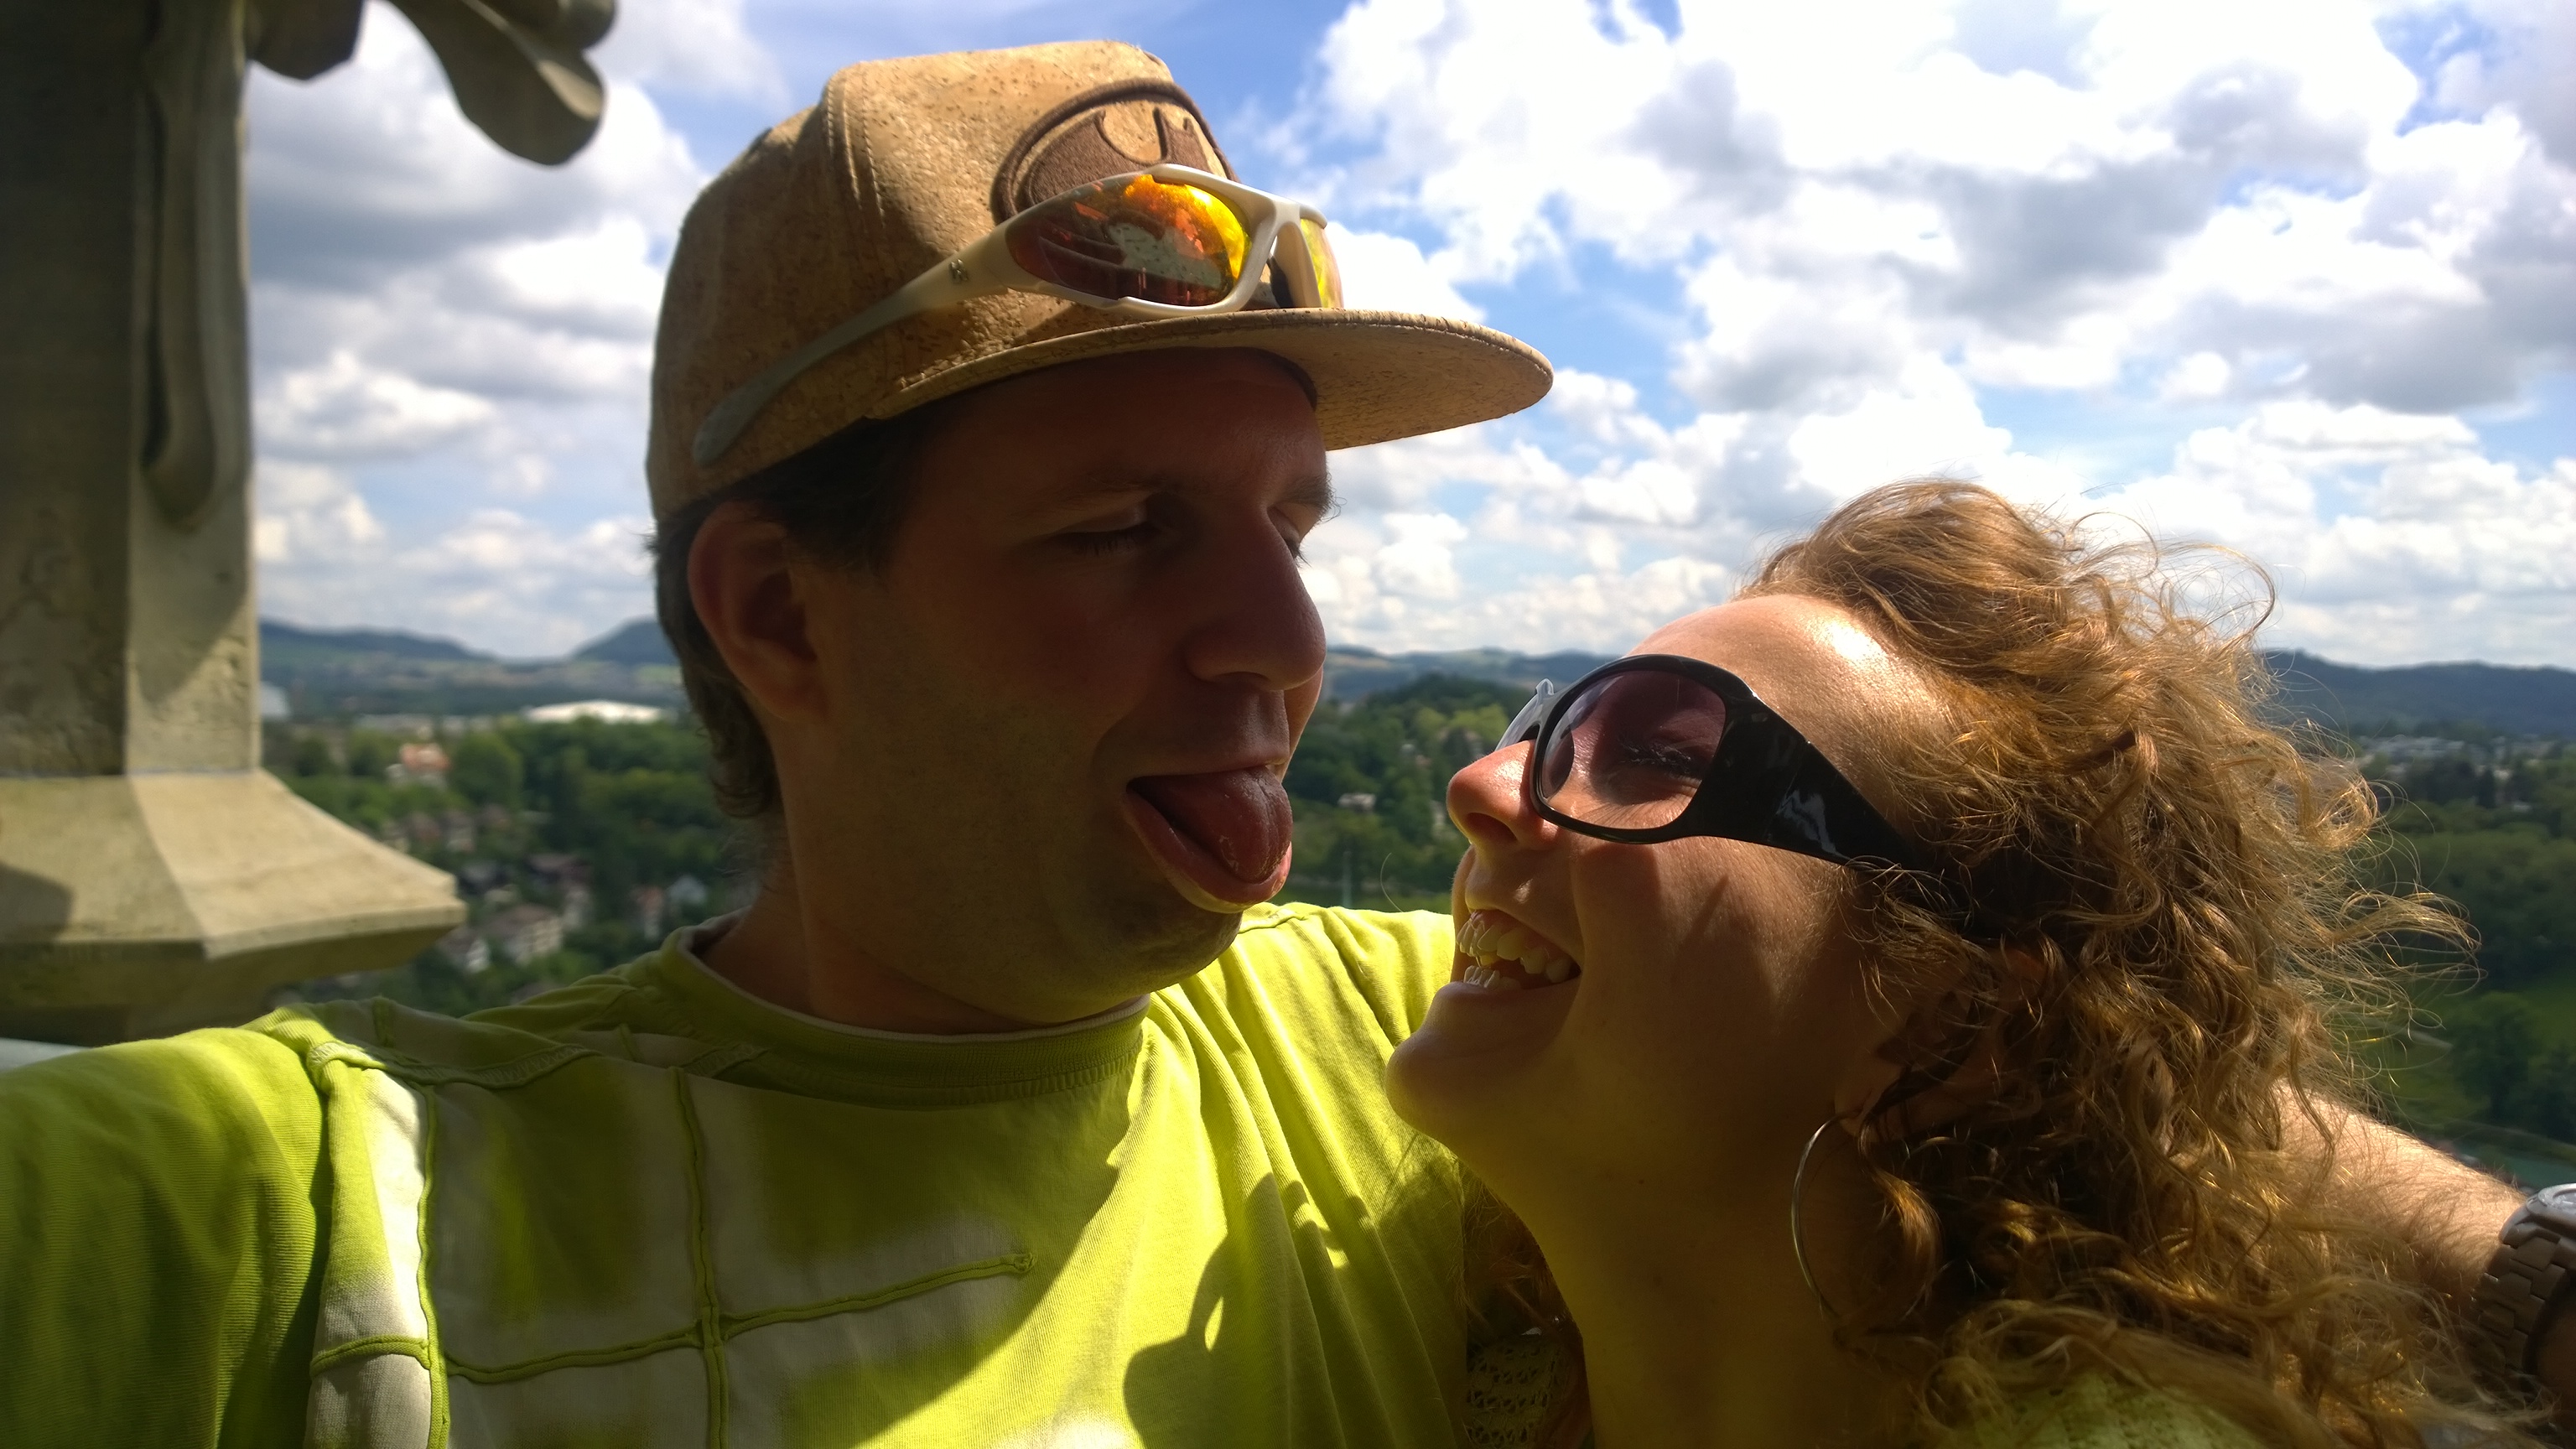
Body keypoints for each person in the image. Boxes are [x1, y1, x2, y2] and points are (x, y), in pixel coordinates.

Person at [0, 38, 2558, 1449]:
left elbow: (2071, 1044)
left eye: (1290, 526)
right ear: (778, 612)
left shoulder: (1384, 1043)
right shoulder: (281, 1213)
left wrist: (2537, 1294)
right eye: (1124, 532)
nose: (1280, 642)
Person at [1396, 480, 2546, 1446]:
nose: (1481, 784)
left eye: (1658, 751)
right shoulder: (1470, 1391)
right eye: (1545, 732)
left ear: (1943, 1023)